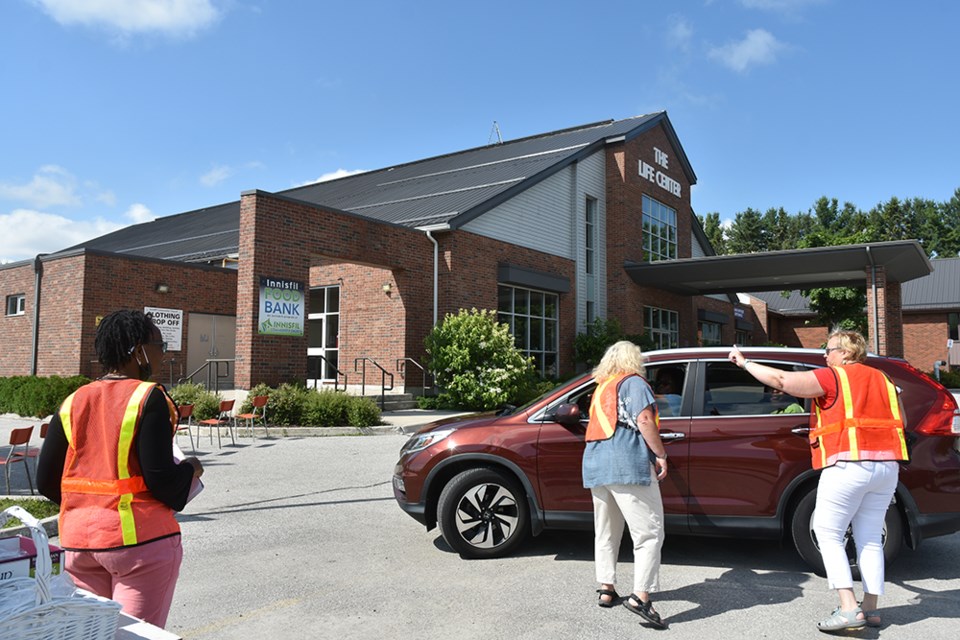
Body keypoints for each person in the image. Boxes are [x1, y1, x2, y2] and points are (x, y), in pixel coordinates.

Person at [729, 331, 908, 633]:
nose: (825, 355)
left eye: (829, 349)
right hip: (887, 468)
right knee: (869, 538)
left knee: (827, 532)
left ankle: (849, 608)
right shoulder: (886, 380)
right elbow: (901, 420)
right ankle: (871, 609)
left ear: (847, 353)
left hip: (849, 465)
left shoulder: (833, 377)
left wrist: (745, 363)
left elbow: (783, 382)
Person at [37, 310, 204, 628]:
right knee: (134, 635)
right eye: (159, 344)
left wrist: (89, 510)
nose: (162, 353)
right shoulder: (147, 397)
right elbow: (162, 481)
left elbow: (46, 480)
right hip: (139, 546)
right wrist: (192, 469)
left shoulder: (74, 400)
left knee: (92, 633)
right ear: (138, 349)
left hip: (79, 544)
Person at [582, 340, 669, 628]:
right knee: (649, 532)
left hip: (597, 464)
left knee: (606, 531)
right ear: (634, 360)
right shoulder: (633, 383)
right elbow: (644, 420)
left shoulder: (602, 387)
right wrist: (660, 453)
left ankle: (607, 588)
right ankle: (641, 597)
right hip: (626, 464)